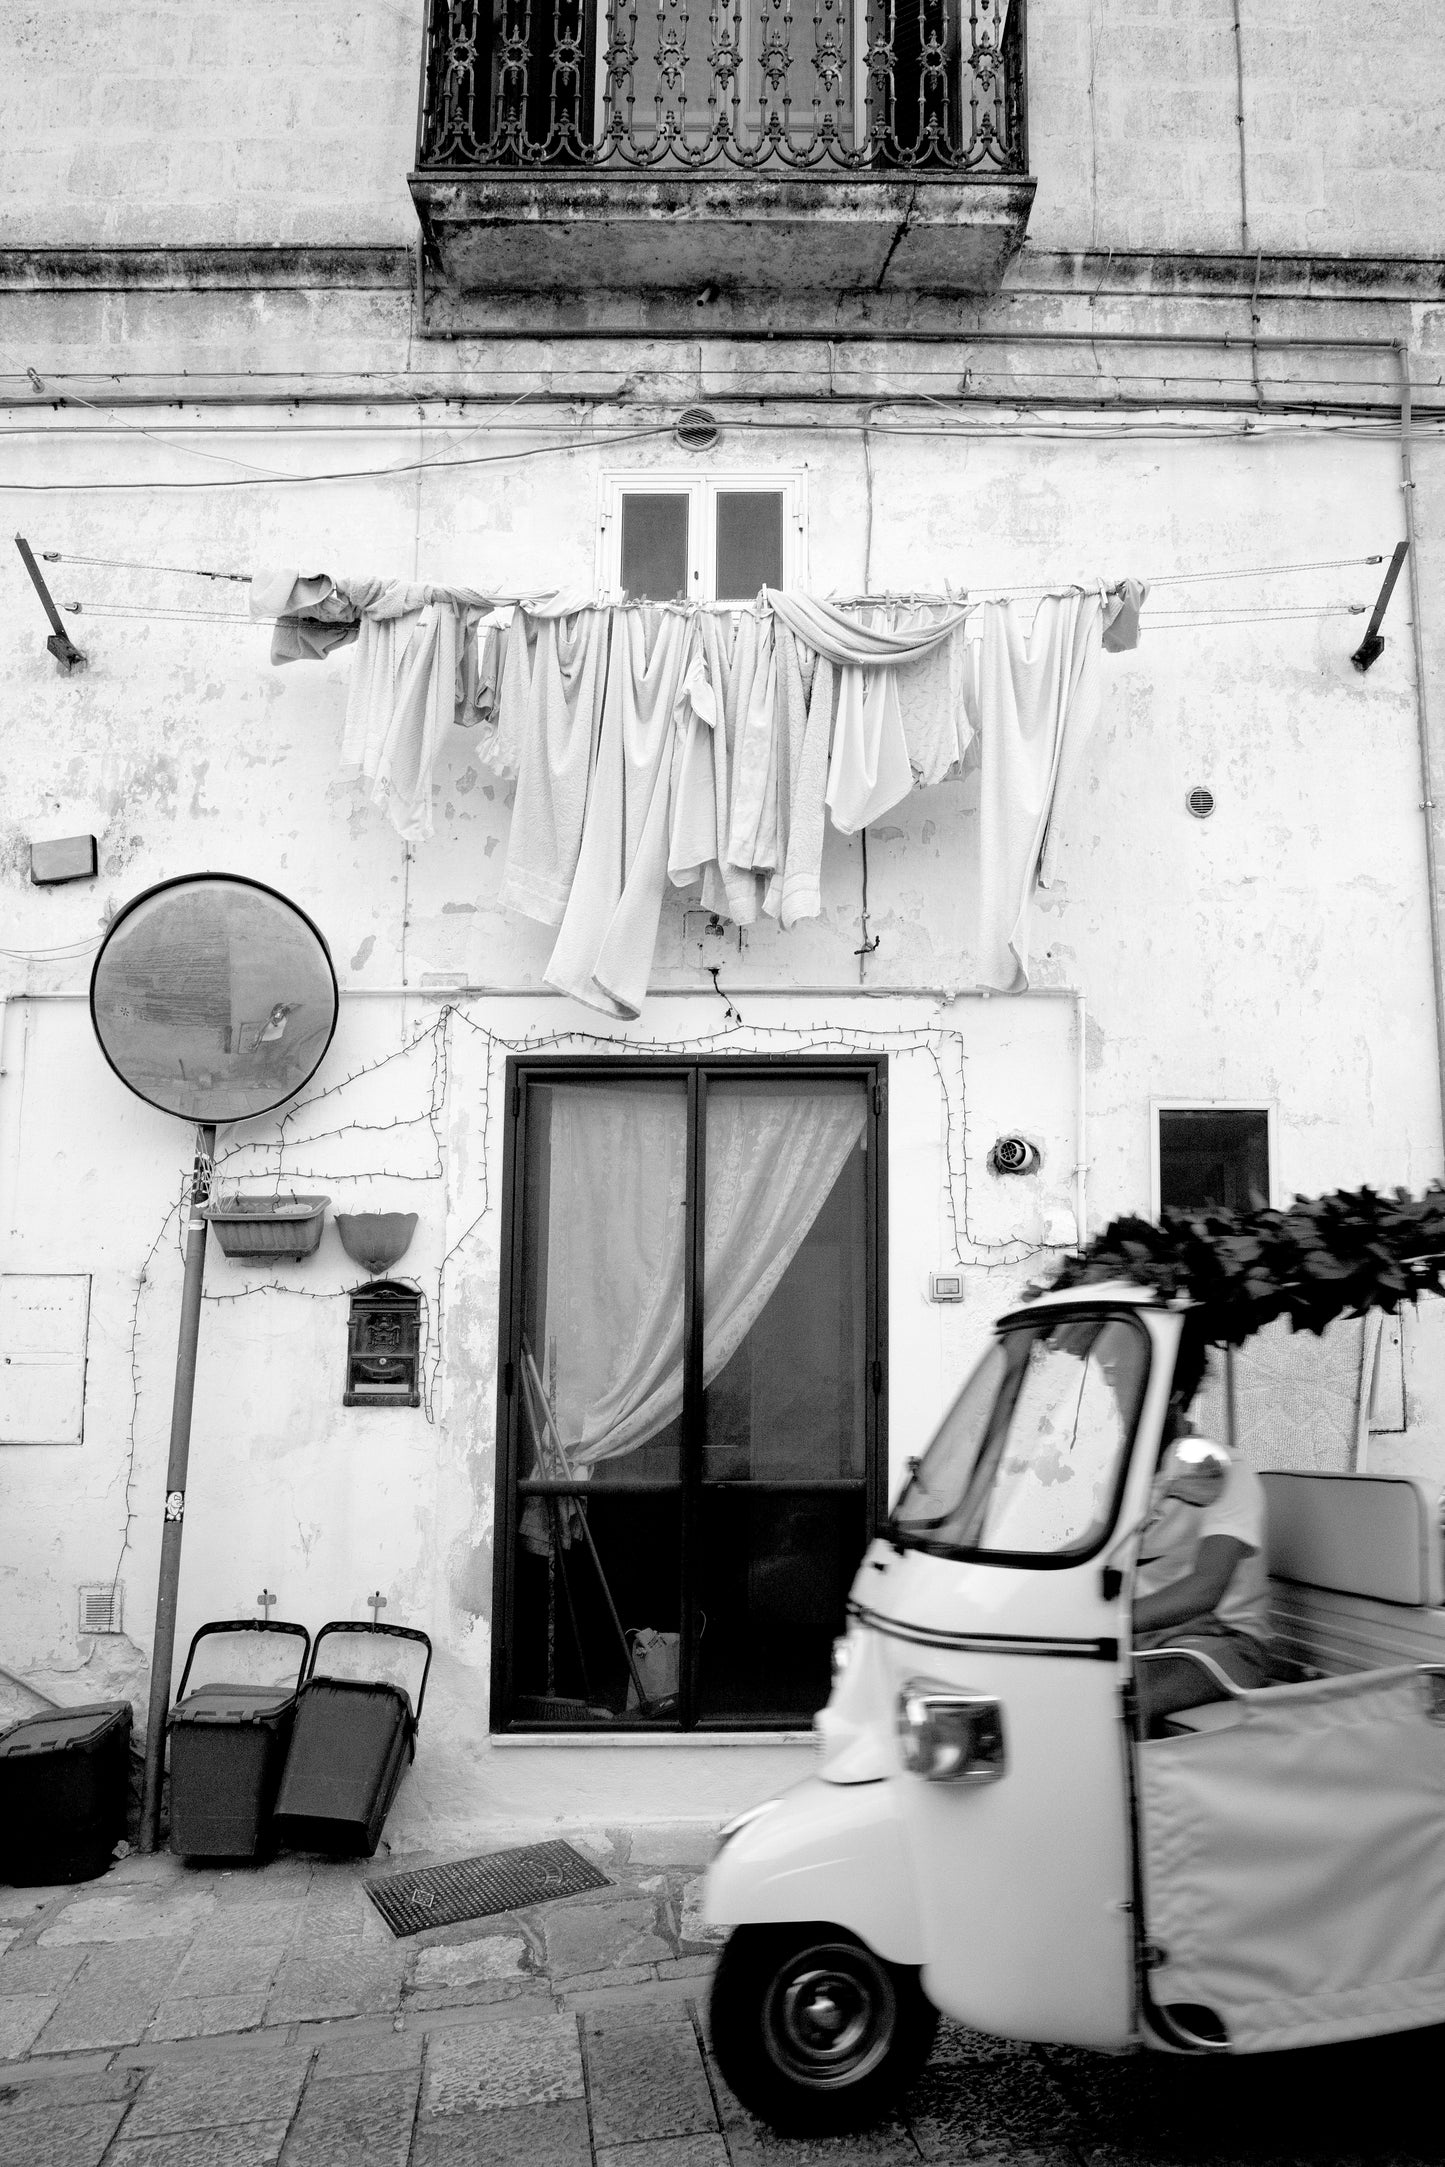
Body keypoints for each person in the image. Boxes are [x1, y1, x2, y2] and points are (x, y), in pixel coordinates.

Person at [1132, 1410, 1274, 1733]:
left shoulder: (1222, 1469)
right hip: (1147, 1640)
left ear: (1175, 1393)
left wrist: (1108, 1623)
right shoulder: (1121, 1475)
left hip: (1226, 1642)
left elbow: (1205, 1588)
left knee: (1108, 1702)